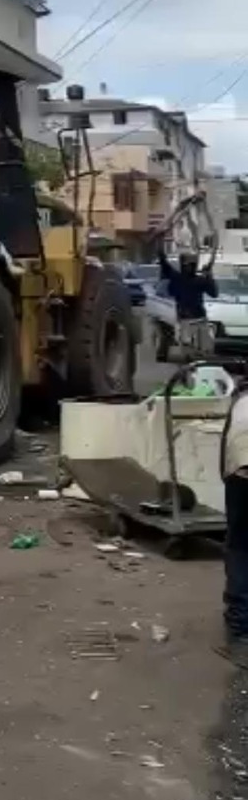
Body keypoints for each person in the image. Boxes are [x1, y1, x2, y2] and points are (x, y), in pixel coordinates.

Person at [221, 387, 248, 664]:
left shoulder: (241, 401)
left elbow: (223, 456)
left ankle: (240, 629)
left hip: (242, 472)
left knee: (240, 547)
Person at [157, 241, 218, 358]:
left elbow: (214, 293)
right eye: (187, 264)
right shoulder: (177, 278)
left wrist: (210, 276)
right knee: (187, 348)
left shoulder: (200, 280)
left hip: (199, 318)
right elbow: (164, 264)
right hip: (185, 318)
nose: (189, 267)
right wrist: (160, 249)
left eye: (192, 264)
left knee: (205, 349)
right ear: (182, 265)